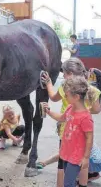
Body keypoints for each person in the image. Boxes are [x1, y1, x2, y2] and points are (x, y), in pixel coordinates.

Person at [38, 58, 101, 187]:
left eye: (64, 74)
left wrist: (86, 157)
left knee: (66, 176)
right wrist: (49, 112)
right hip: (69, 146)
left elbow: (89, 138)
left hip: (75, 149)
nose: (65, 97)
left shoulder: (84, 117)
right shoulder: (71, 107)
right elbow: (63, 117)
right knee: (72, 171)